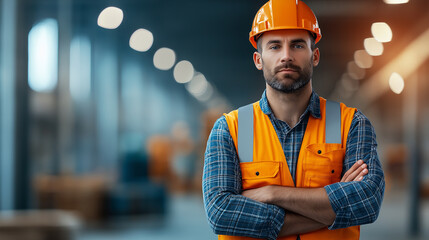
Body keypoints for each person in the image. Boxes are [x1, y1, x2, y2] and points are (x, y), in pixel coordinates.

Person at [202, 0, 385, 240]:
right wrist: (333, 209)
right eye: (275, 46)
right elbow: (221, 213)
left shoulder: (351, 124)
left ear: (315, 55)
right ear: (258, 60)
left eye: (298, 45)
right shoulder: (230, 129)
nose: (286, 56)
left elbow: (367, 202)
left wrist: (271, 193)